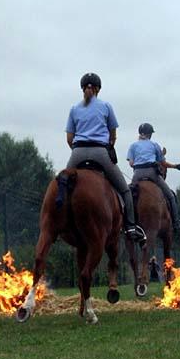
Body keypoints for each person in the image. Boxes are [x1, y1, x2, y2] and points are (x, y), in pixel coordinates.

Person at [65, 73, 146, 243]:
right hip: (100, 153)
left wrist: (78, 150)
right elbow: (113, 135)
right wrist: (108, 146)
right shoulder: (106, 106)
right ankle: (131, 227)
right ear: (98, 90)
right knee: (125, 191)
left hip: (77, 153)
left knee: (61, 186)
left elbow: (69, 139)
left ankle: (58, 222)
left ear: (83, 89)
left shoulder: (74, 109)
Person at [126, 122, 180, 232]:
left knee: (128, 195)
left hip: (137, 174)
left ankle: (127, 224)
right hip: (152, 173)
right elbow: (163, 163)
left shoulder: (132, 146)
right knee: (170, 196)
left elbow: (131, 163)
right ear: (150, 134)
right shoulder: (154, 145)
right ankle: (176, 223)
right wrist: (175, 166)